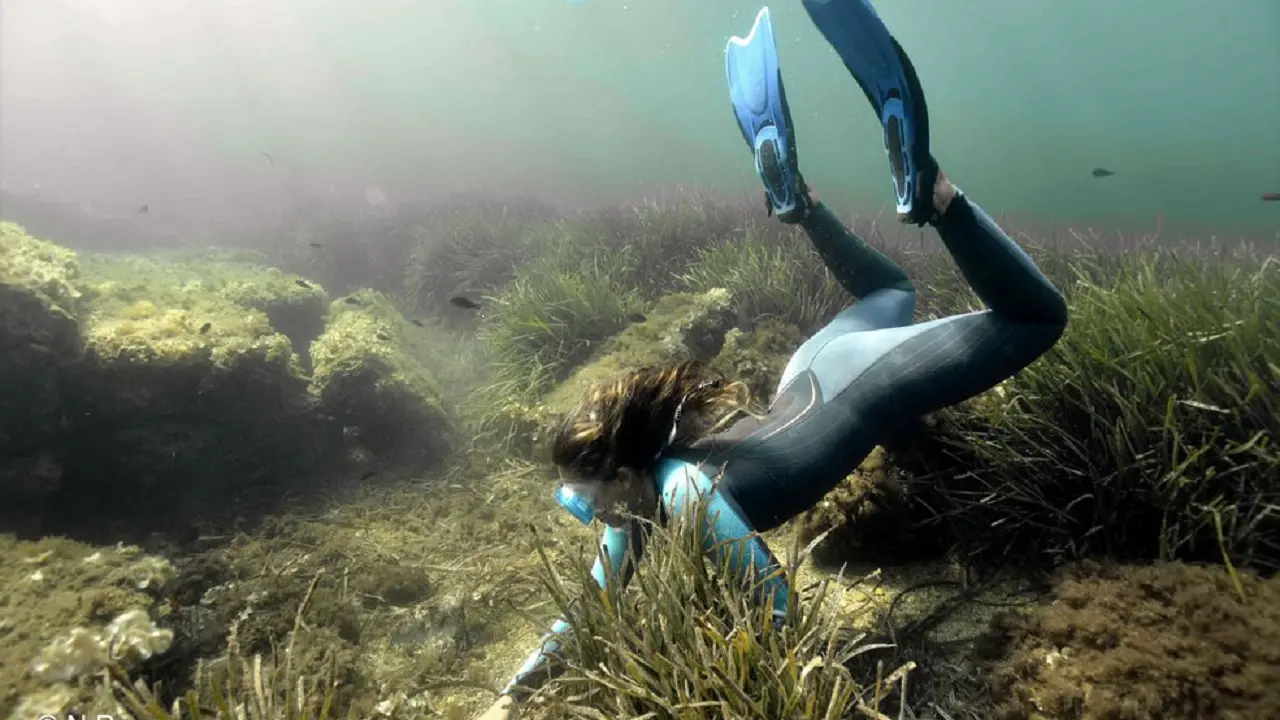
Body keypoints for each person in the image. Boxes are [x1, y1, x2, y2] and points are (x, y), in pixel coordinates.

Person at [475, 2, 1067, 717]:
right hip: (813, 371)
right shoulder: (631, 508)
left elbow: (773, 602)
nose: (584, 512)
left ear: (626, 475)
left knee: (1038, 319)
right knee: (895, 289)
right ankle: (801, 205)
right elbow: (588, 608)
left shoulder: (685, 495)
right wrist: (517, 690)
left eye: (586, 497)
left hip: (859, 380)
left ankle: (937, 194)